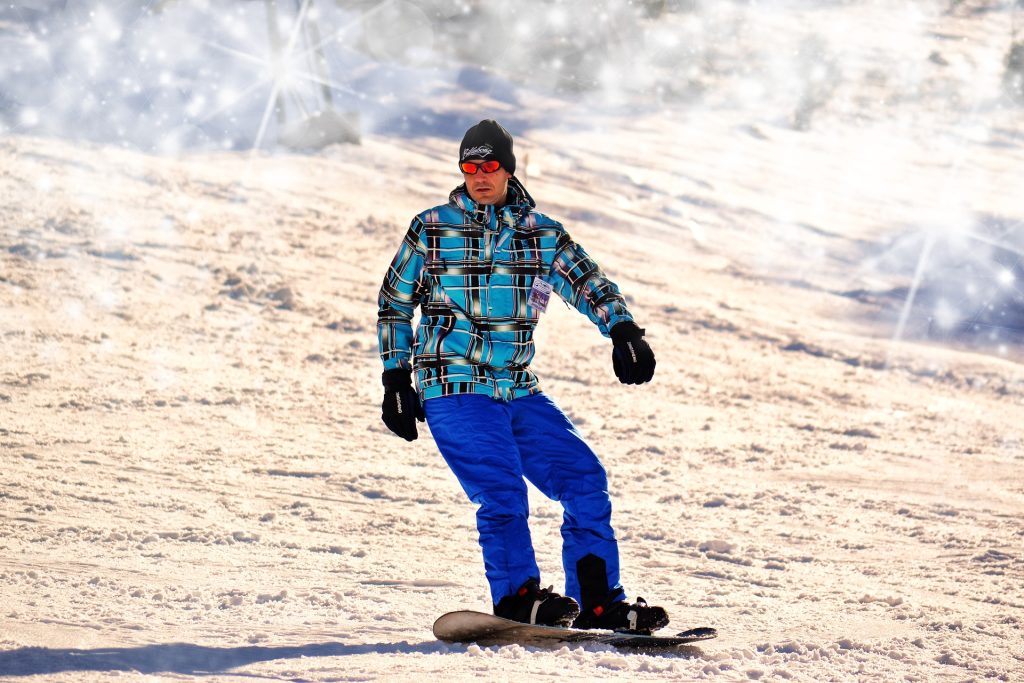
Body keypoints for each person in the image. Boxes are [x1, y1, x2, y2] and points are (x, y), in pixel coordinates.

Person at [376, 119, 666, 634]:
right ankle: (517, 598)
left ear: (508, 169)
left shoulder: (541, 234)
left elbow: (587, 280)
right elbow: (395, 305)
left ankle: (597, 599)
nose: (480, 175)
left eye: (490, 165)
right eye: (470, 165)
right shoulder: (431, 227)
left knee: (584, 480)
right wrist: (396, 380)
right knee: (504, 492)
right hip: (454, 385)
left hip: (517, 387)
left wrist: (622, 329)